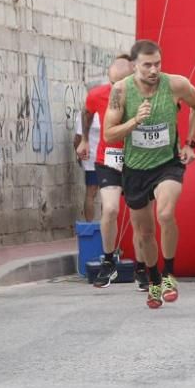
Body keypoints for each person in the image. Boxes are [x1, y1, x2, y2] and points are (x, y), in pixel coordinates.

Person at [103, 40, 195, 309]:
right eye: (147, 65)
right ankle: (155, 279)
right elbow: (109, 133)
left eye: (157, 63)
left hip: (167, 163)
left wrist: (190, 144)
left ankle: (170, 274)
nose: (153, 70)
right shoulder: (121, 91)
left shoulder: (176, 84)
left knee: (166, 213)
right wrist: (135, 121)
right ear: (134, 66)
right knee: (145, 233)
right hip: (135, 168)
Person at [79, 54, 134, 288]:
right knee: (110, 209)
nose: (115, 89)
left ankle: (142, 266)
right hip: (108, 158)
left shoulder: (144, 94)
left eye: (120, 83)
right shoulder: (97, 94)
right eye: (112, 83)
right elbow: (86, 112)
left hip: (139, 160)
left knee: (140, 216)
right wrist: (84, 140)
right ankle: (109, 261)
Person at [74, 109, 100, 222]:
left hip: (92, 158)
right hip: (102, 158)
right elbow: (77, 138)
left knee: (91, 193)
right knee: (105, 193)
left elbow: (77, 139)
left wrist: (79, 154)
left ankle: (91, 226)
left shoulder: (84, 114)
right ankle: (100, 226)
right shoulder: (110, 110)